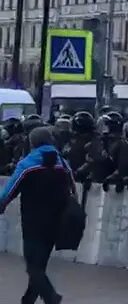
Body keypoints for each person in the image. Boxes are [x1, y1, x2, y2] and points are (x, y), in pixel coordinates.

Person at [0, 126, 75, 304]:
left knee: (32, 264)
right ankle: (28, 300)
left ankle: (51, 296)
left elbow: (10, 190)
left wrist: (1, 206)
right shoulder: (63, 163)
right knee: (39, 263)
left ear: (32, 142)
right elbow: (73, 190)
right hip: (58, 219)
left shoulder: (28, 164)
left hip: (33, 220)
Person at [64, 111, 95, 177]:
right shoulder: (73, 139)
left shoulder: (92, 141)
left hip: (83, 179)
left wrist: (76, 173)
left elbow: (91, 161)